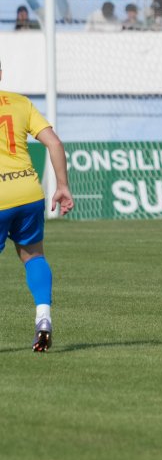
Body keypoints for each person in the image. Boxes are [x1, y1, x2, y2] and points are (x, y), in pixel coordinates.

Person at [0, 59, 73, 352]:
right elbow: (54, 143)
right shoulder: (20, 103)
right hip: (28, 193)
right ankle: (43, 317)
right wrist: (62, 186)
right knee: (33, 256)